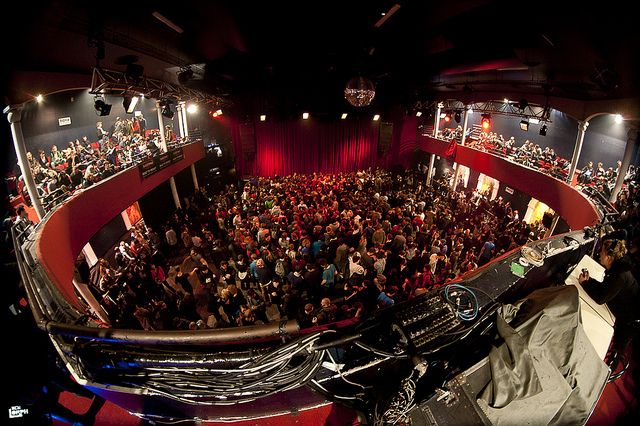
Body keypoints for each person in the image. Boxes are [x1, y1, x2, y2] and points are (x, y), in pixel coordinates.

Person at [578, 239, 640, 353]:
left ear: (609, 258)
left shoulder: (620, 275)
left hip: (629, 321)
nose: (599, 254)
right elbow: (605, 288)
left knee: (615, 349)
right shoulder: (618, 268)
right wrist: (589, 280)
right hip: (626, 312)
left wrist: (585, 283)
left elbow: (601, 298)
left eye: (602, 252)